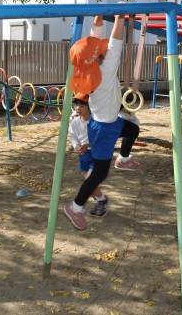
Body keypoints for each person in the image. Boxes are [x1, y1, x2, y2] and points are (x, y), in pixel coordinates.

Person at [64, 14, 141, 230]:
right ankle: (75, 207)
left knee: (132, 130)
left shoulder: (86, 69)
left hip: (111, 121)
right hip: (103, 130)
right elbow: (116, 44)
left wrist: (98, 22)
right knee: (99, 173)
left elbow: (91, 43)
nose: (104, 48)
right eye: (101, 50)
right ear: (98, 57)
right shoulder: (105, 71)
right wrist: (119, 19)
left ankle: (123, 159)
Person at [68, 92, 109, 217]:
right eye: (77, 105)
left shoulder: (95, 121)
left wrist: (87, 145)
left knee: (90, 181)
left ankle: (101, 200)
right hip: (83, 155)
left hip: (95, 154)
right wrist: (76, 146)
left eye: (82, 106)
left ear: (90, 107)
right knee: (88, 180)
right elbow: (72, 136)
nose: (78, 108)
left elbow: (100, 138)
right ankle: (100, 200)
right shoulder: (75, 122)